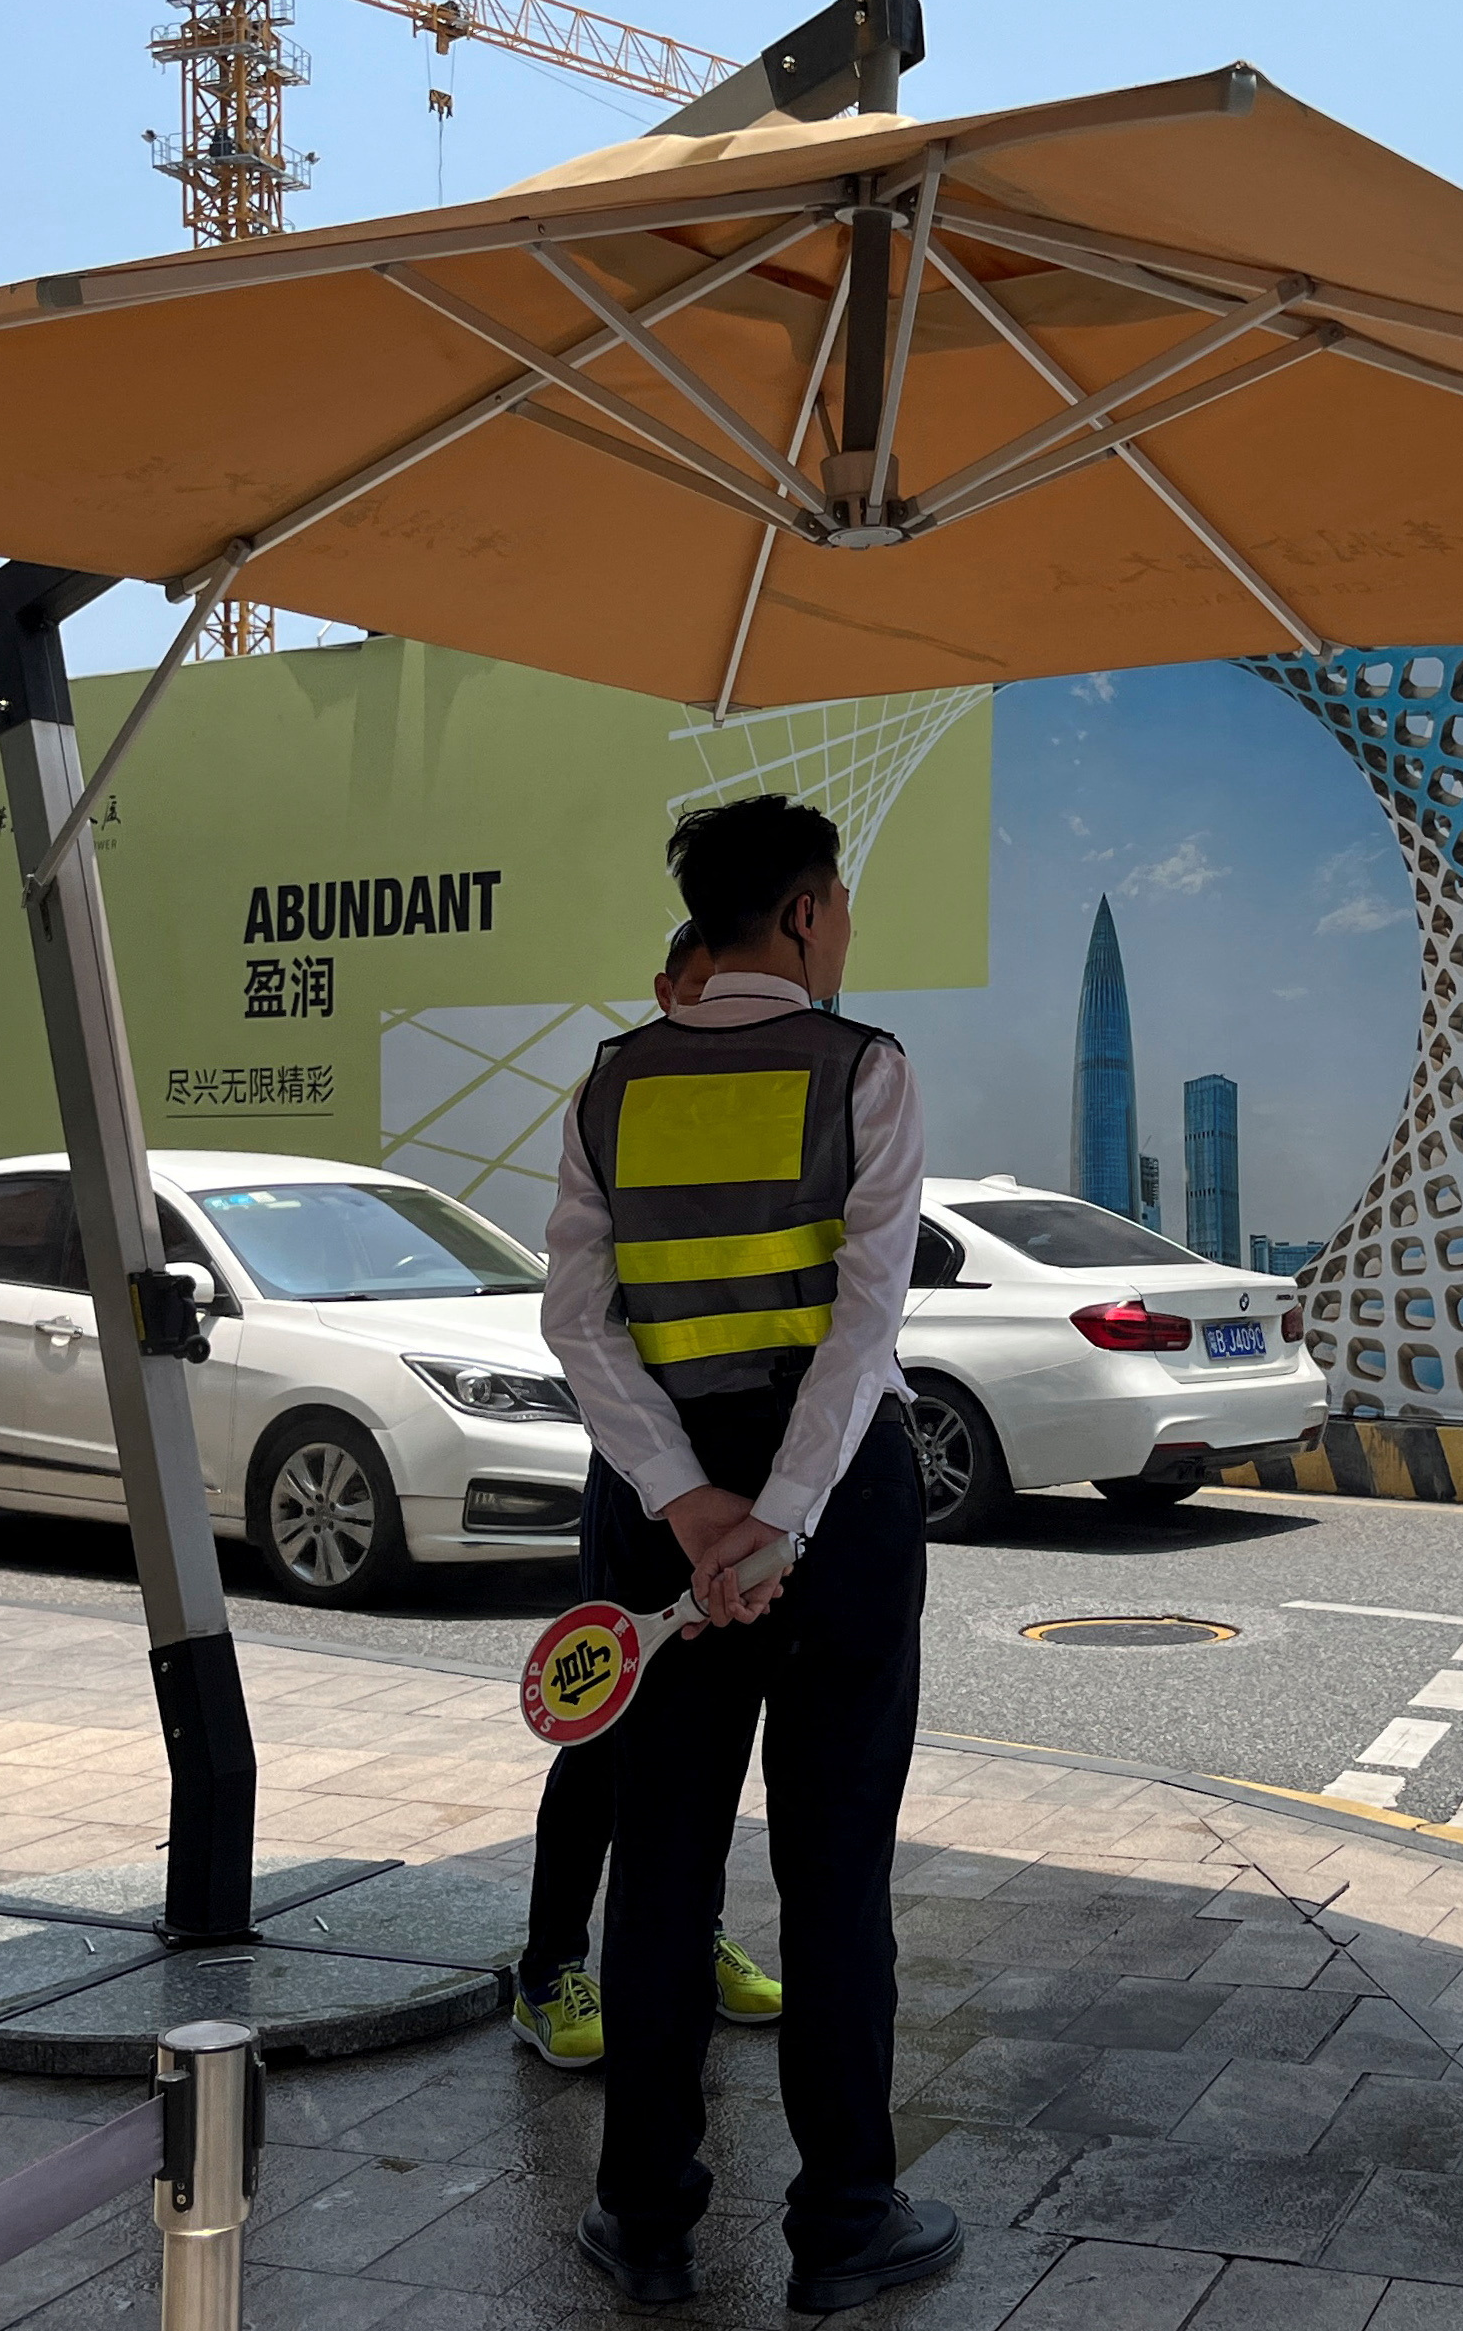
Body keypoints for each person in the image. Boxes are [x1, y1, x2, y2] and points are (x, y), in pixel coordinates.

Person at [541, 797, 957, 2315]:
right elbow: (868, 1322)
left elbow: (576, 1327)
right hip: (835, 1517)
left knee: (658, 1869)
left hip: (654, 1525)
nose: (845, 930)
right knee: (836, 1870)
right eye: (838, 905)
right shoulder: (867, 1069)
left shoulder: (608, 1085)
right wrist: (779, 1515)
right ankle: (846, 2220)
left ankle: (643, 2215)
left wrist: (689, 1508)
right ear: (799, 913)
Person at [511, 919, 786, 2069]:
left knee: (714, 1733)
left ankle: (693, 1931)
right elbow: (582, 1317)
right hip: (644, 1487)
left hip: (746, 1487)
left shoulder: (792, 1099)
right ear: (669, 985)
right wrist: (679, 1491)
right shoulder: (616, 1095)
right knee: (610, 1722)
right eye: (700, 987)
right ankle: (548, 1967)